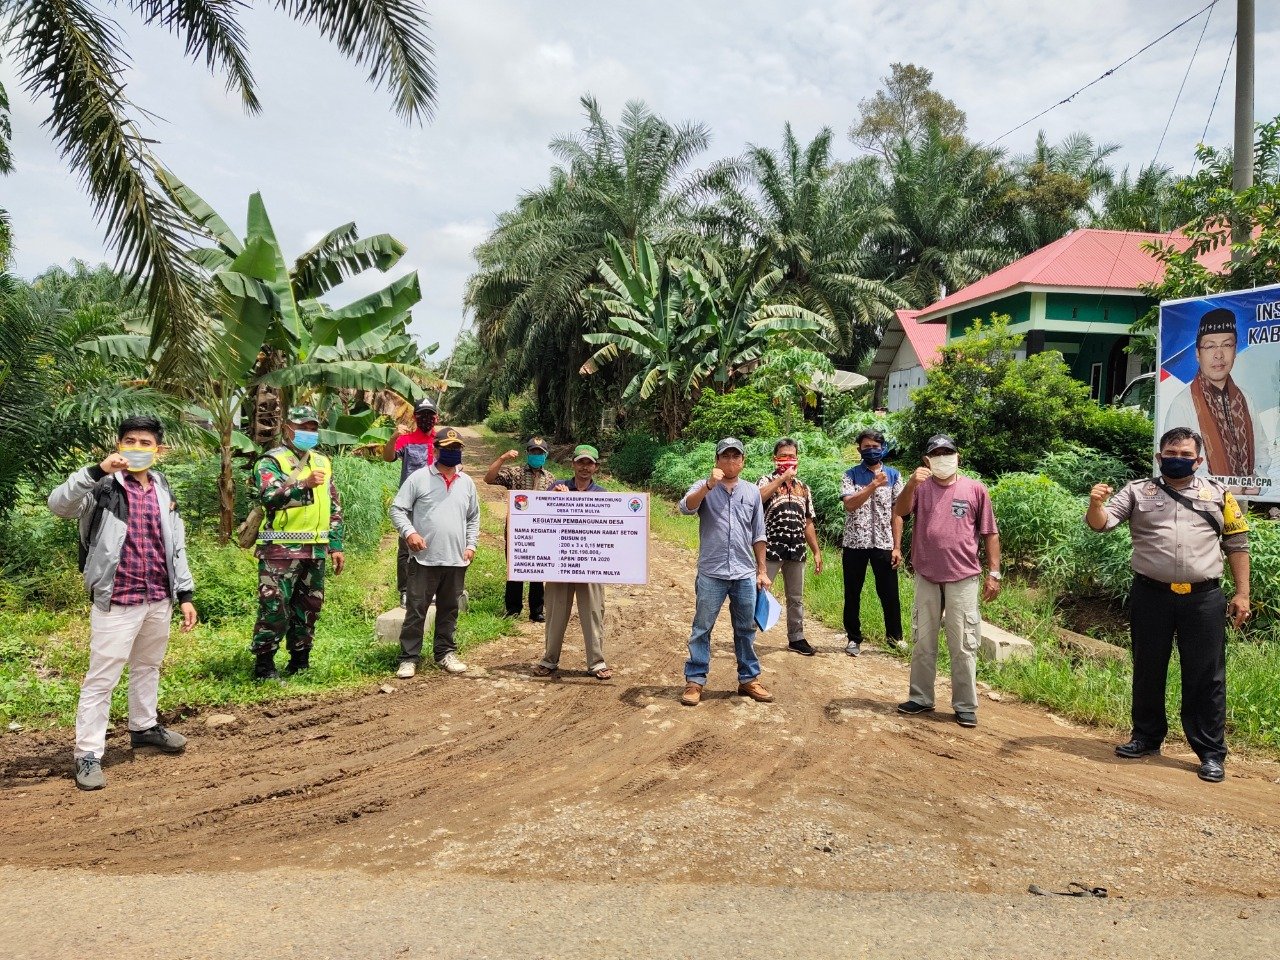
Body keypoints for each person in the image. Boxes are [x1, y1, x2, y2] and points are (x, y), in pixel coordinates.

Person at [1086, 427, 1250, 783]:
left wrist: (1242, 594)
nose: (1178, 459)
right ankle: (1145, 738)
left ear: (1199, 460)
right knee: (1148, 667)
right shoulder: (1136, 492)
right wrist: (1095, 505)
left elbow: (1238, 545)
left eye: (1186, 455)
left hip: (1204, 598)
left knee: (1206, 676)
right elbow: (1101, 524)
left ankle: (1210, 753)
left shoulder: (1219, 495)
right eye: (1171, 453)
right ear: (1160, 458)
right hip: (1151, 595)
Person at [47, 414, 198, 791]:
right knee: (102, 678)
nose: (137, 448)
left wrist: (185, 594)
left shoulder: (163, 487)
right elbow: (58, 505)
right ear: (119, 446)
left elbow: (175, 544)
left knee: (148, 666)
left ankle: (144, 727)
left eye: (145, 443)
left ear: (159, 451)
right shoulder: (102, 487)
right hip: (117, 597)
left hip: (157, 597)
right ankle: (87, 753)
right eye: (130, 441)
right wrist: (95, 470)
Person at [892, 434, 1001, 728]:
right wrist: (912, 483)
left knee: (964, 642)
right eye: (936, 453)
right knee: (923, 639)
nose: (942, 457)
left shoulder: (975, 489)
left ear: (957, 456)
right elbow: (900, 511)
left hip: (963, 577)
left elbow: (990, 533)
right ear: (928, 459)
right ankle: (920, 697)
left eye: (947, 452)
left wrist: (994, 572)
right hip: (926, 575)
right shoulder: (920, 488)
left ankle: (965, 705)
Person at [250, 405, 345, 680]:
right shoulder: (271, 461)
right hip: (279, 549)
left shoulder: (322, 461)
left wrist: (335, 545)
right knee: (274, 606)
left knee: (309, 607)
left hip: (315, 549)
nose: (309, 433)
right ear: (287, 428)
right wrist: (302, 484)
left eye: (314, 428)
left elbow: (334, 506)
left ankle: (300, 661)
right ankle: (265, 665)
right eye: (303, 428)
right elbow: (269, 497)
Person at [678, 437, 773, 706]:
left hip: (744, 572)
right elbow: (685, 507)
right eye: (725, 456)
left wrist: (762, 570)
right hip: (711, 571)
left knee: (745, 628)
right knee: (702, 628)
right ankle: (695, 681)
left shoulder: (752, 491)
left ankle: (749, 679)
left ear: (742, 462)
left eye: (736, 457)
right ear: (717, 460)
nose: (730, 461)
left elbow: (759, 534)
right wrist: (709, 485)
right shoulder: (704, 485)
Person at [390, 426, 480, 677]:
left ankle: (445, 653)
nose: (452, 453)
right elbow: (397, 509)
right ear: (436, 449)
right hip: (423, 559)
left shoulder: (467, 483)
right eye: (447, 448)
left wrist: (471, 545)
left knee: (449, 608)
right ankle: (409, 657)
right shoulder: (419, 478)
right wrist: (410, 533)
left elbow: (473, 517)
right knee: (416, 609)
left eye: (457, 449)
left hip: (456, 559)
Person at [532, 444, 612, 680]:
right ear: (573, 464)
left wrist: (573, 501)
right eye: (581, 462)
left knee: (593, 613)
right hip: (560, 562)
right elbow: (538, 518)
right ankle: (549, 660)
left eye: (589, 463)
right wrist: (554, 500)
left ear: (596, 467)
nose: (585, 467)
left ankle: (596, 662)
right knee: (555, 612)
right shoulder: (556, 488)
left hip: (591, 564)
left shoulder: (603, 495)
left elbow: (606, 528)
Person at [1164, 308, 1269, 485]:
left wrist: (1255, 483)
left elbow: (1262, 451)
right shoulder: (1183, 403)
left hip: (1240, 502)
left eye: (1227, 345)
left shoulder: (1245, 398)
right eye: (1210, 346)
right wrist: (1227, 488)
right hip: (1198, 502)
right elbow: (1177, 463)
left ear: (1235, 350)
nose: (1219, 355)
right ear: (1198, 353)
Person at [839, 428, 904, 658]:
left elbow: (898, 512)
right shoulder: (851, 475)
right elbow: (849, 505)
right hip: (855, 543)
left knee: (889, 593)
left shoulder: (894, 476)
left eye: (875, 447)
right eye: (866, 447)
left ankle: (895, 638)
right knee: (853, 593)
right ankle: (853, 638)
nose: (871, 451)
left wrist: (897, 546)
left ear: (883, 448)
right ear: (859, 450)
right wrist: (873, 485)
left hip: (884, 544)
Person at [756, 438, 822, 656]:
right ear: (775, 459)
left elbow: (808, 521)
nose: (788, 460)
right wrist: (782, 479)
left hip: (797, 551)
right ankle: (747, 635)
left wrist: (816, 551)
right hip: (771, 549)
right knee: (759, 592)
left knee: (796, 597)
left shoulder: (803, 488)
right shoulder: (765, 481)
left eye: (791, 456)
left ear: (798, 459)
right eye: (783, 456)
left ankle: (796, 637)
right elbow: (757, 499)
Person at [485, 436, 555, 622]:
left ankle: (537, 611)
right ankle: (513, 609)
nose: (536, 455)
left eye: (540, 453)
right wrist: (502, 458)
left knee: (538, 570)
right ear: (527, 454)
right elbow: (489, 478)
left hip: (541, 531)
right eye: (533, 452)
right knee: (515, 569)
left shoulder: (550, 478)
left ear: (545, 455)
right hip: (517, 532)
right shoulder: (515, 473)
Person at [384, 397, 437, 606]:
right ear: (415, 417)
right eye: (422, 415)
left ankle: (430, 590)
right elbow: (388, 457)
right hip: (410, 503)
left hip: (435, 501)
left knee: (433, 543)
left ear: (436, 417)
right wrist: (394, 436)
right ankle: (405, 590)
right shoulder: (406, 439)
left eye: (430, 415)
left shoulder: (441, 439)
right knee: (406, 547)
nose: (426, 419)